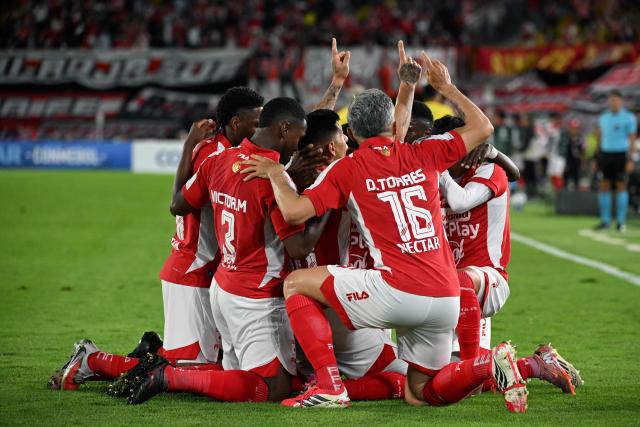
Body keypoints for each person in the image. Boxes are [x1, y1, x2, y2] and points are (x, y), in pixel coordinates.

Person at [241, 49, 529, 412]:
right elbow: (484, 127)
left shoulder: (348, 168)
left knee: (295, 285)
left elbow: (295, 213)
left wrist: (275, 174)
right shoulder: (425, 152)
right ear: (393, 124)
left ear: (353, 131)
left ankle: (330, 386)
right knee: (421, 393)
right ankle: (487, 364)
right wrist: (445, 87)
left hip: (395, 291)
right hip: (445, 297)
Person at [47, 87, 265, 391]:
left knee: (211, 364)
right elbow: (179, 201)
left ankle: (142, 352)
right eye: (257, 122)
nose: (262, 128)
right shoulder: (215, 155)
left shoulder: (217, 150)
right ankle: (93, 359)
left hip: (205, 272)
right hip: (193, 270)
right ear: (237, 122)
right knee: (188, 368)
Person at [594, 90, 637, 232]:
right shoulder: (603, 117)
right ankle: (605, 221)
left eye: (616, 100)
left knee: (621, 186)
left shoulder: (629, 118)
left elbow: (632, 139)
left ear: (621, 101)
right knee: (604, 185)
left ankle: (620, 222)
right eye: (611, 100)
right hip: (605, 155)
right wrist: (596, 157)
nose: (613, 102)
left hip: (621, 155)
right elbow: (599, 139)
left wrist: (631, 159)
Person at [563, 119, 585, 191]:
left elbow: (583, 151)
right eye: (573, 128)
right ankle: (564, 194)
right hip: (566, 162)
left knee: (576, 179)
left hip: (576, 162)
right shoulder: (565, 137)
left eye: (576, 128)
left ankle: (576, 195)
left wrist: (583, 162)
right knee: (565, 180)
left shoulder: (580, 138)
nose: (574, 130)